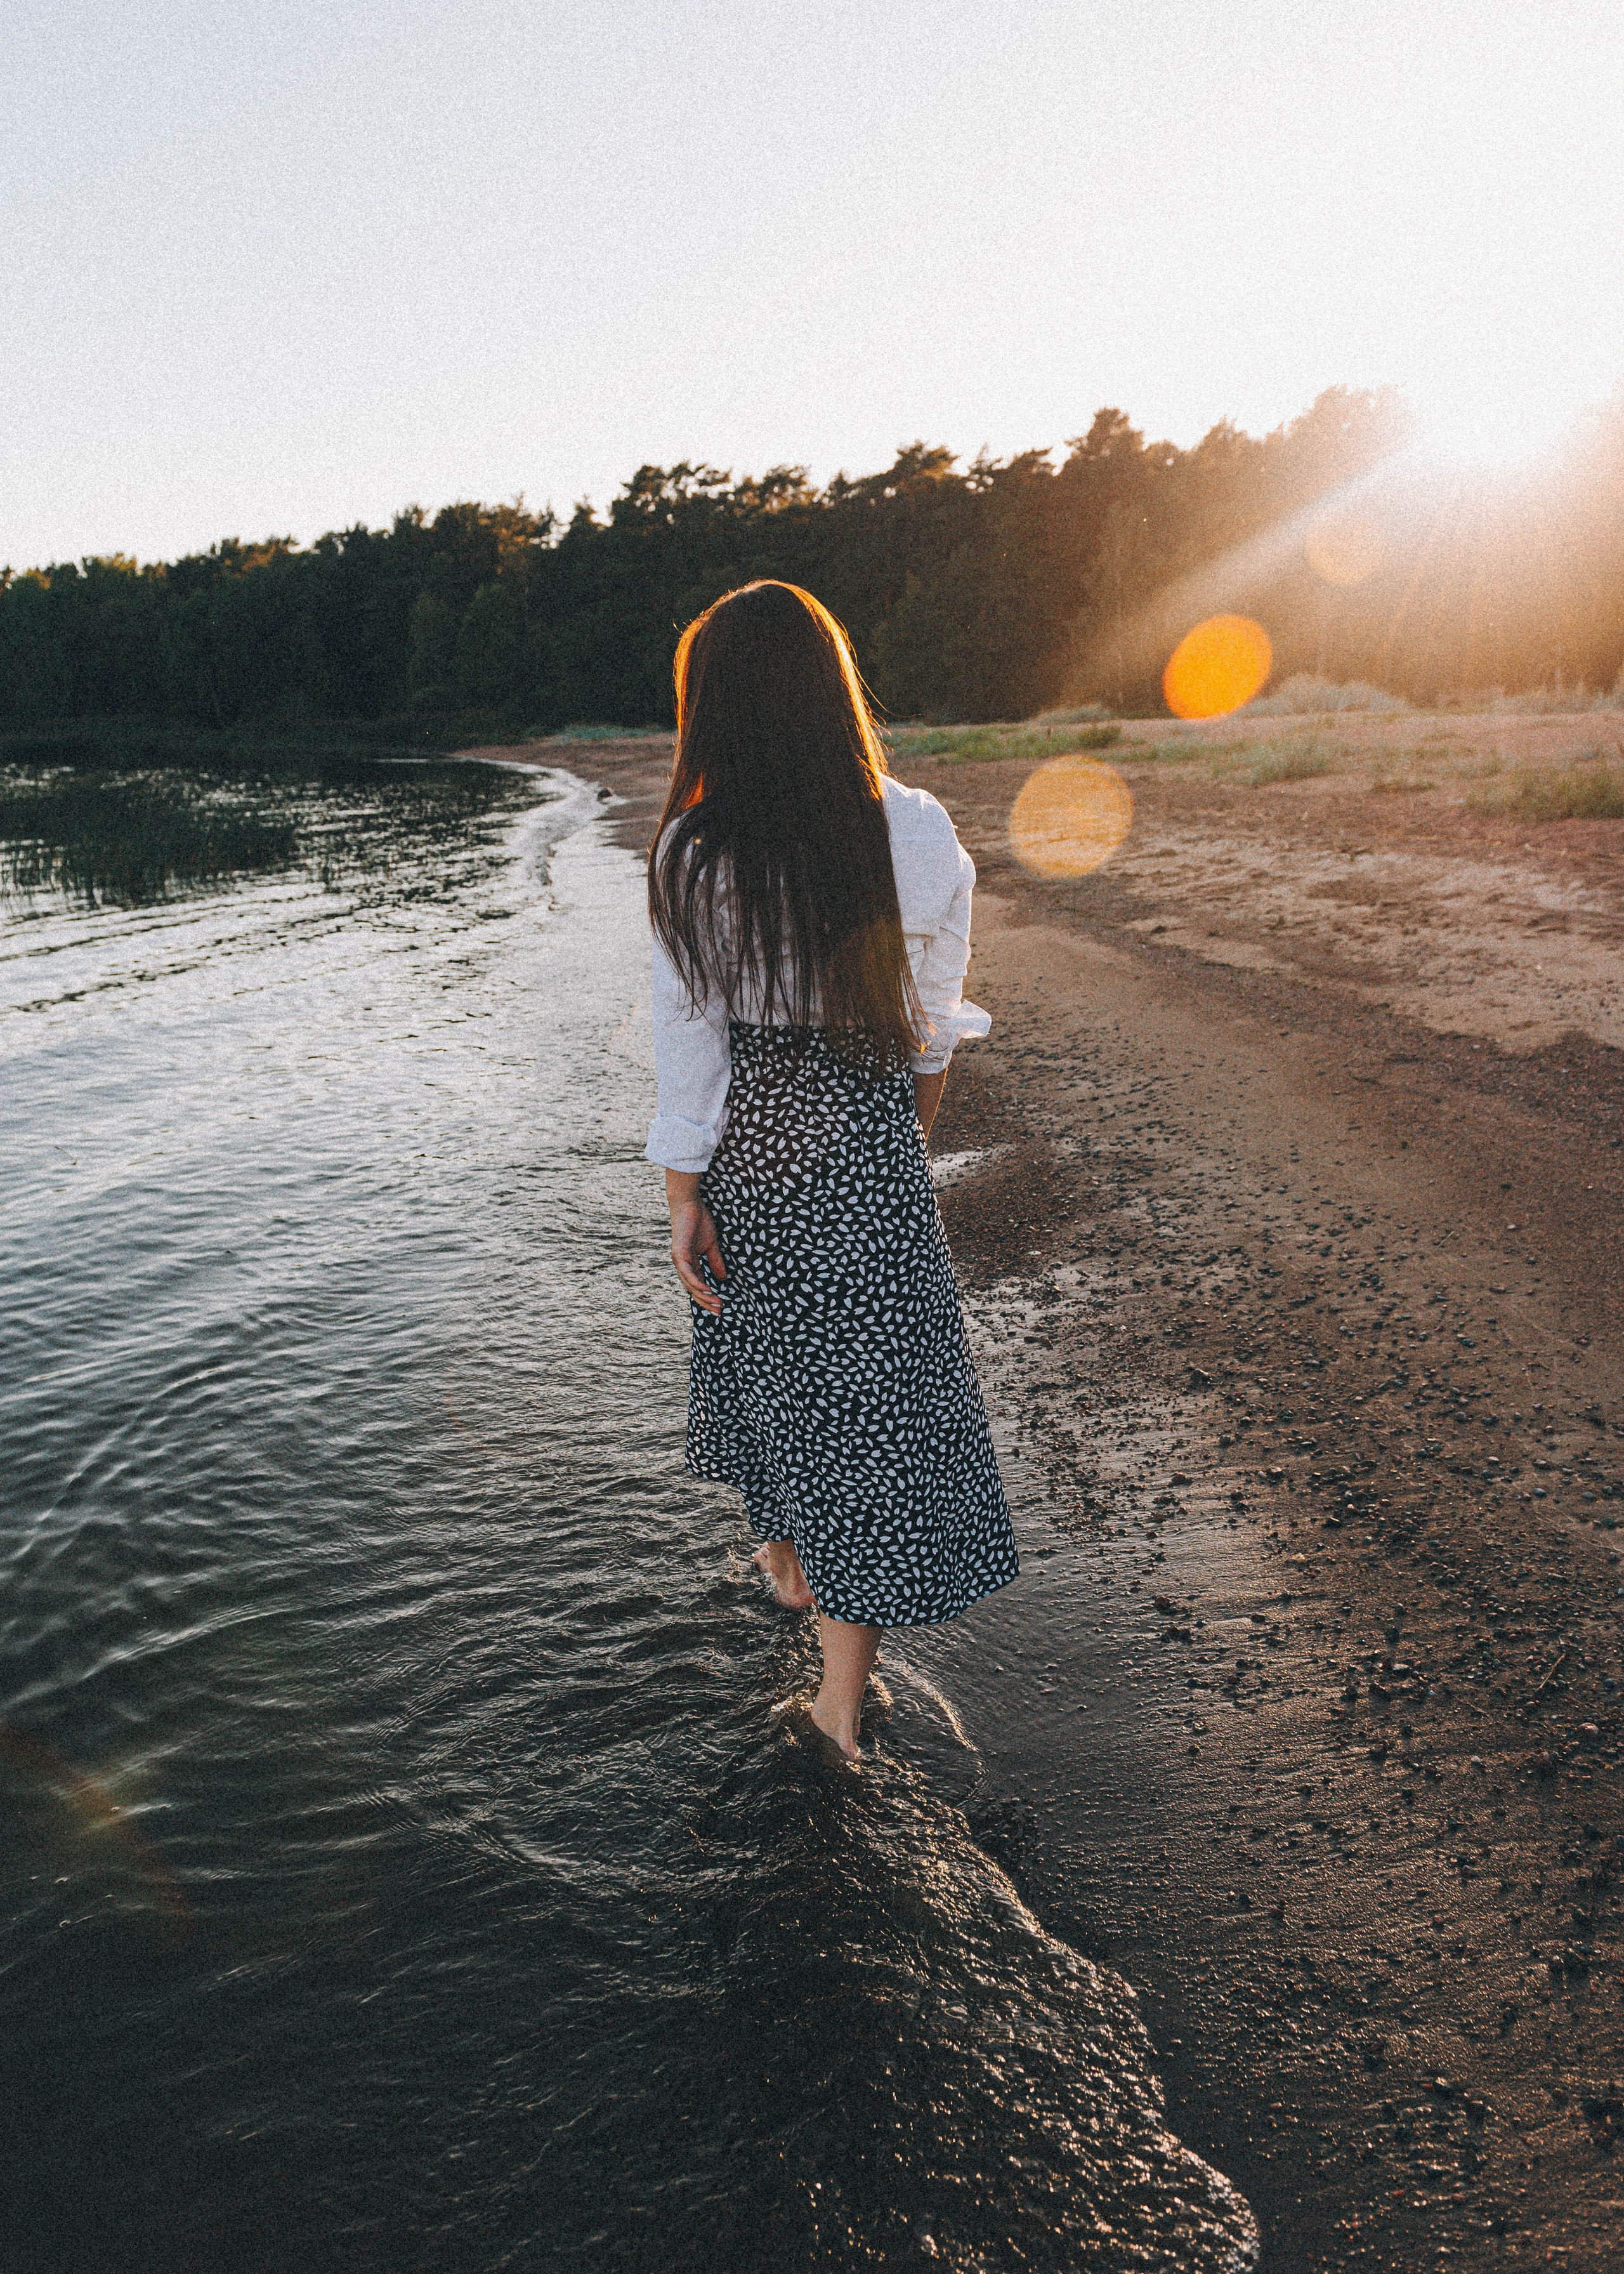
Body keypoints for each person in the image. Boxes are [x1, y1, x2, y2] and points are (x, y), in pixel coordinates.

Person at [645, 580, 1018, 1759]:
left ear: (717, 710)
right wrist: (897, 1140)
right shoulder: (917, 830)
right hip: (864, 1132)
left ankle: (801, 1591)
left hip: (754, 1138)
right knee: (865, 1407)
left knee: (774, 1369)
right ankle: (840, 1691)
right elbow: (929, 1025)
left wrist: (682, 1201)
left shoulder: (696, 851)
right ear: (833, 691)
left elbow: (690, 1046)